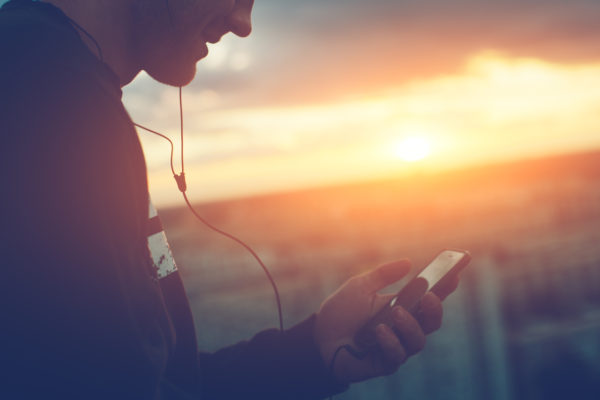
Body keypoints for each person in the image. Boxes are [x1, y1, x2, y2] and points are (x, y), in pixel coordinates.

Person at [0, 0, 458, 398]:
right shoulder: (49, 93)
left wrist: (313, 350)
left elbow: (154, 386)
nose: (244, 22)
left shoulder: (45, 75)